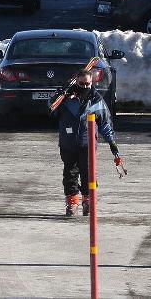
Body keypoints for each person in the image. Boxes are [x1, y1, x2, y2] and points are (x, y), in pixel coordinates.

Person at [51, 69, 123, 216]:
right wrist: (59, 96)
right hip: (67, 143)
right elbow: (51, 109)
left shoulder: (97, 101)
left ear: (92, 83)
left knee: (88, 173)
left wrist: (112, 143)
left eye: (88, 84)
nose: (84, 87)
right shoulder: (66, 99)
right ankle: (72, 201)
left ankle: (88, 200)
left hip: (87, 144)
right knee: (70, 173)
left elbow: (105, 124)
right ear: (76, 82)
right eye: (81, 84)